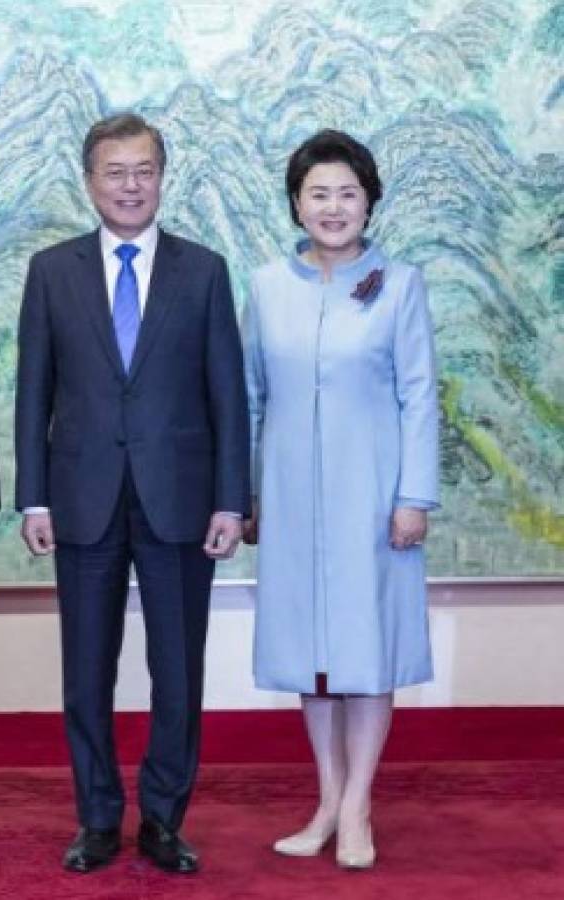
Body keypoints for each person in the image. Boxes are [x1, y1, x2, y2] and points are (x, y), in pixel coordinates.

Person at [14, 113, 250, 875]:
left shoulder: (203, 270)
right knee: (87, 669)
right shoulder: (52, 271)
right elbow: (32, 393)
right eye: (115, 171)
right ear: (89, 182)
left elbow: (227, 395)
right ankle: (97, 817)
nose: (130, 185)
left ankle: (163, 819)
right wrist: (34, 498)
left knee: (178, 669)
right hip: (81, 497)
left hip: (181, 498)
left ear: (162, 176)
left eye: (143, 170)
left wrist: (230, 500)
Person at [241, 128, 439, 869]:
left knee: (365, 651)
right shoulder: (265, 287)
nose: (333, 207)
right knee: (311, 658)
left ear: (369, 201)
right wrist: (247, 495)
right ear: (296, 203)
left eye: (347, 193)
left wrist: (413, 495)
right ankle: (327, 799)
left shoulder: (402, 284)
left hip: (374, 498)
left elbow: (421, 398)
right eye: (318, 193)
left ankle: (358, 807)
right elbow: (251, 398)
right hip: (291, 499)